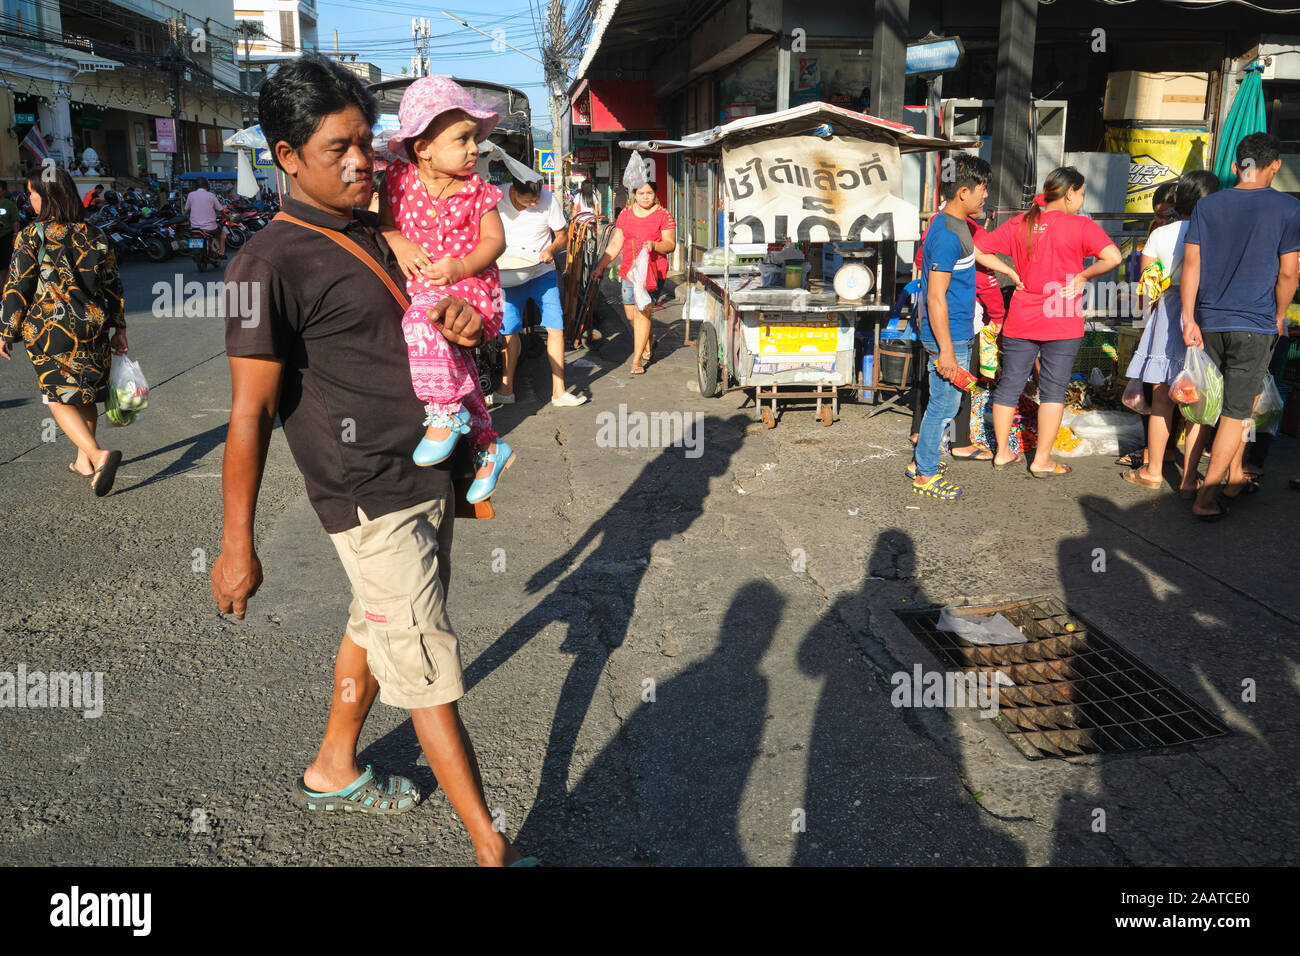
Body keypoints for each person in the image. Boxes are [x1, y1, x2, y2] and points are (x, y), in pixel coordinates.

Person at [210, 54, 530, 866]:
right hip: (368, 494)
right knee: (426, 669)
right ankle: (491, 851)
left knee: (376, 624)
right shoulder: (263, 267)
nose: (359, 163)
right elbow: (246, 414)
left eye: (364, 143)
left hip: (425, 471)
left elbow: (431, 326)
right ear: (286, 157)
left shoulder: (381, 230)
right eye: (335, 150)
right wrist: (235, 545)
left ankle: (333, 763)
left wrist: (461, 320)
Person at [377, 74, 512, 503]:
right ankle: (490, 448)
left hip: (472, 287)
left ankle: (443, 412)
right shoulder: (396, 180)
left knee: (418, 323)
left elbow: (496, 242)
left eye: (475, 138)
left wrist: (460, 267)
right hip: (424, 285)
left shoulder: (479, 191)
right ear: (424, 149)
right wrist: (398, 242)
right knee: (463, 373)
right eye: (462, 139)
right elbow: (385, 225)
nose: (474, 149)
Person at [1180, 132, 1300, 520]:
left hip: (1210, 320)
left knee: (1208, 402)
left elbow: (1192, 266)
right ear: (1276, 166)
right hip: (1255, 323)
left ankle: (1215, 478)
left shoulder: (1208, 206)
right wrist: (1280, 315)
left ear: (1236, 166)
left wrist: (1189, 317)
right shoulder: (1288, 208)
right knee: (1235, 411)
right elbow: (1288, 274)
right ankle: (1205, 499)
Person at [976, 166, 1122, 477]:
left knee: (1009, 386)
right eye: (1081, 194)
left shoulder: (1021, 223)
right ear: (1070, 193)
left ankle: (1002, 452)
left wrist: (1012, 273)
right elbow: (1113, 257)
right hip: (1061, 318)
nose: (1081, 200)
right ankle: (1041, 459)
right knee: (1053, 391)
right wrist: (1083, 275)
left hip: (1022, 315)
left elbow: (978, 249)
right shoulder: (1081, 226)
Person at [1, 166, 126, 496]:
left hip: (50, 328)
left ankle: (99, 455)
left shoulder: (32, 236)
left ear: (47, 196)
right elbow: (112, 286)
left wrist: (5, 330)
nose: (29, 200)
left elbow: (17, 287)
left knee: (56, 397)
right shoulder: (96, 234)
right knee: (83, 392)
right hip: (93, 327)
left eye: (32, 193)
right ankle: (83, 460)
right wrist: (120, 329)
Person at [910, 154, 1022, 500]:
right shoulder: (945, 235)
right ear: (962, 192)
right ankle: (925, 474)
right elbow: (936, 298)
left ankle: (921, 462)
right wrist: (945, 350)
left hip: (956, 330)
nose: (985, 196)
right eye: (982, 189)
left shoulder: (957, 226)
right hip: (950, 334)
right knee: (943, 405)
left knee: (945, 402)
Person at [1121, 170, 1219, 491]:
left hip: (1165, 316)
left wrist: (1144, 324)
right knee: (1196, 400)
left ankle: (1152, 471)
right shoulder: (1218, 233)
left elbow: (1146, 290)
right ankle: (1189, 480)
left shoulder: (1160, 236)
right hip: (1203, 317)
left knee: (1162, 398)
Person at [493, 177, 588, 408]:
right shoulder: (495, 196)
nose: (535, 204)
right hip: (508, 273)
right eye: (529, 201)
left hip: (542, 272)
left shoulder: (548, 199)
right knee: (509, 331)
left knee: (555, 327)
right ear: (513, 191)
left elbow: (562, 235)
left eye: (537, 199)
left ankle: (559, 391)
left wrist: (552, 249)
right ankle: (506, 390)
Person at [590, 155, 675, 374]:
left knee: (642, 313)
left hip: (652, 274)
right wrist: (601, 266)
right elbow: (616, 242)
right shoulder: (626, 215)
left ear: (655, 195)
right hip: (628, 272)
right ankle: (647, 338)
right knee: (630, 315)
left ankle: (636, 360)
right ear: (634, 194)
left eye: (649, 193)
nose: (646, 197)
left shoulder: (663, 215)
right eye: (641, 193)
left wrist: (655, 246)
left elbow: (670, 244)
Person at [184, 176, 226, 258]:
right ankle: (221, 253)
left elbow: (186, 210)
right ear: (207, 185)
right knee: (222, 233)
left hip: (195, 227)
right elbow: (220, 210)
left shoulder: (191, 195)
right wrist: (225, 216)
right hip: (210, 228)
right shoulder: (211, 195)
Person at [0, 181, 19, 276]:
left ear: (4, 191)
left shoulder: (10, 205)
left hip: (5, 238)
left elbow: (15, 221)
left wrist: (15, 235)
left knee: (4, 265)